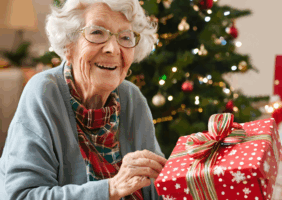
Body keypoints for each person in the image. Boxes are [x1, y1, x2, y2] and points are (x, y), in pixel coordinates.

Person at [0, 0, 167, 199]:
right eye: (97, 33)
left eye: (125, 37)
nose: (113, 49)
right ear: (69, 45)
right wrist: (111, 189)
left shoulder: (131, 98)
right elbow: (23, 195)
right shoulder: (45, 92)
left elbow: (158, 188)